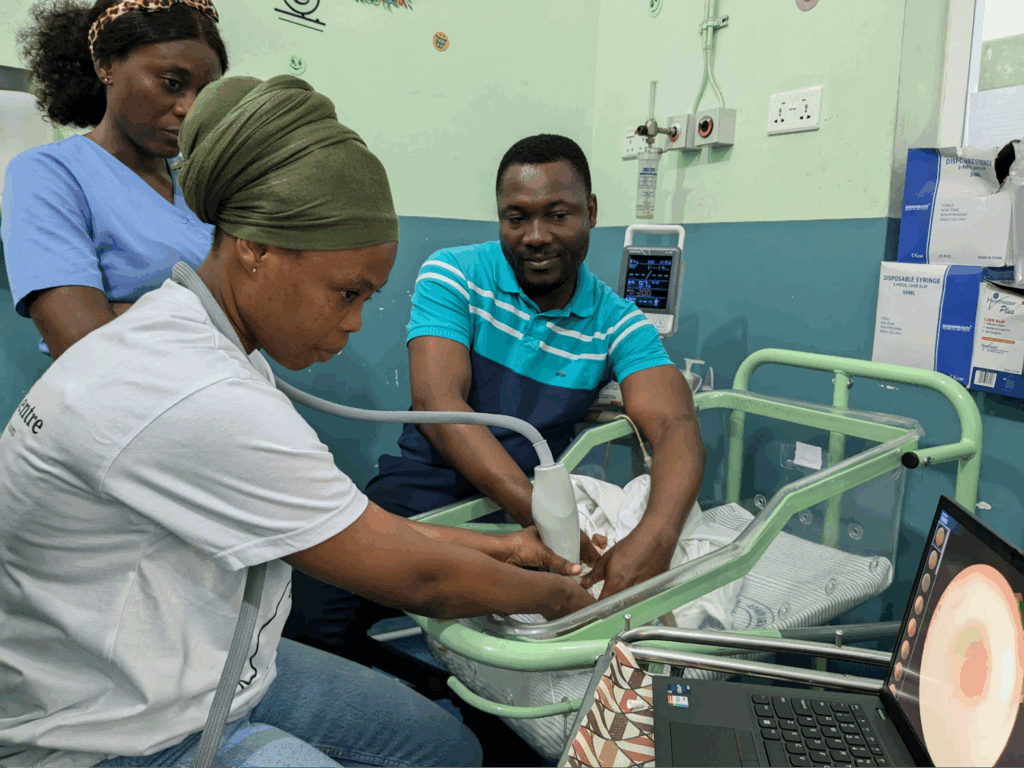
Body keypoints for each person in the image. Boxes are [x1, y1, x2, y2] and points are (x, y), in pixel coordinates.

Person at [0, 75, 595, 768]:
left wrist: (501, 551)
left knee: (445, 749)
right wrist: (568, 600)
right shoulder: (193, 387)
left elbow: (354, 530)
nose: (353, 324)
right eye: (346, 293)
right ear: (254, 246)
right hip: (105, 728)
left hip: (207, 659)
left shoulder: (188, 332)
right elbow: (419, 582)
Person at [284, 134, 706, 662]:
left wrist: (655, 539)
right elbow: (440, 404)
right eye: (516, 217)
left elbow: (675, 427)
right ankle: (430, 711)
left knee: (512, 664)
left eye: (558, 215)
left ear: (592, 212)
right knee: (308, 622)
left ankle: (470, 722)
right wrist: (545, 522)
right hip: (424, 495)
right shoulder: (455, 273)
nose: (535, 236)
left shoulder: (617, 323)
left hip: (528, 518)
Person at [3, 0, 227, 359]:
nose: (190, 108)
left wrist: (123, 313)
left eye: (205, 94)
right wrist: (217, 323)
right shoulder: (47, 173)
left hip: (224, 392)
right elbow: (81, 340)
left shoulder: (203, 180)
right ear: (106, 65)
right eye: (171, 83)